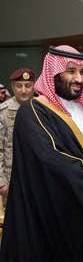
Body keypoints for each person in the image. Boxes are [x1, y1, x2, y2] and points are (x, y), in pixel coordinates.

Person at [0, 45, 83, 262]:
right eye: (70, 71)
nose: (79, 78)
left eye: (82, 72)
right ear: (54, 72)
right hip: (52, 218)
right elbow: (55, 163)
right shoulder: (33, 111)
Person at [0, 68, 35, 202]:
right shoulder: (3, 112)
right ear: (12, 87)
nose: (24, 90)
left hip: (38, 178)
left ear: (34, 85)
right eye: (19, 86)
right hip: (12, 180)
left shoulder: (42, 108)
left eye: (28, 85)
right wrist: (2, 183)